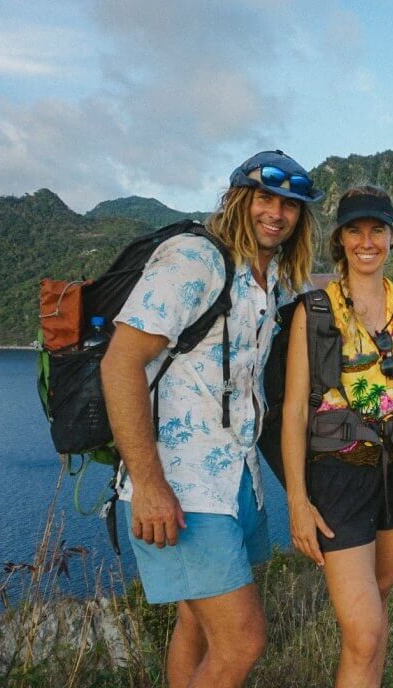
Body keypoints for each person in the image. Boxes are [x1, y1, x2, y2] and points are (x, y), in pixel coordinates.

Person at [101, 150, 322, 688]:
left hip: (239, 484)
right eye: (265, 198)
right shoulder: (196, 259)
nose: (277, 212)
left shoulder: (267, 280)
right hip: (182, 491)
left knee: (195, 626)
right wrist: (150, 486)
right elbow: (120, 363)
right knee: (243, 642)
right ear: (239, 200)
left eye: (290, 204)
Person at [282, 184, 393, 687]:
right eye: (356, 230)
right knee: (365, 630)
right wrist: (296, 501)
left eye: (377, 230)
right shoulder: (317, 312)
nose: (367, 241)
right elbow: (293, 411)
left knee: (376, 611)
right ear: (340, 239)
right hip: (339, 476)